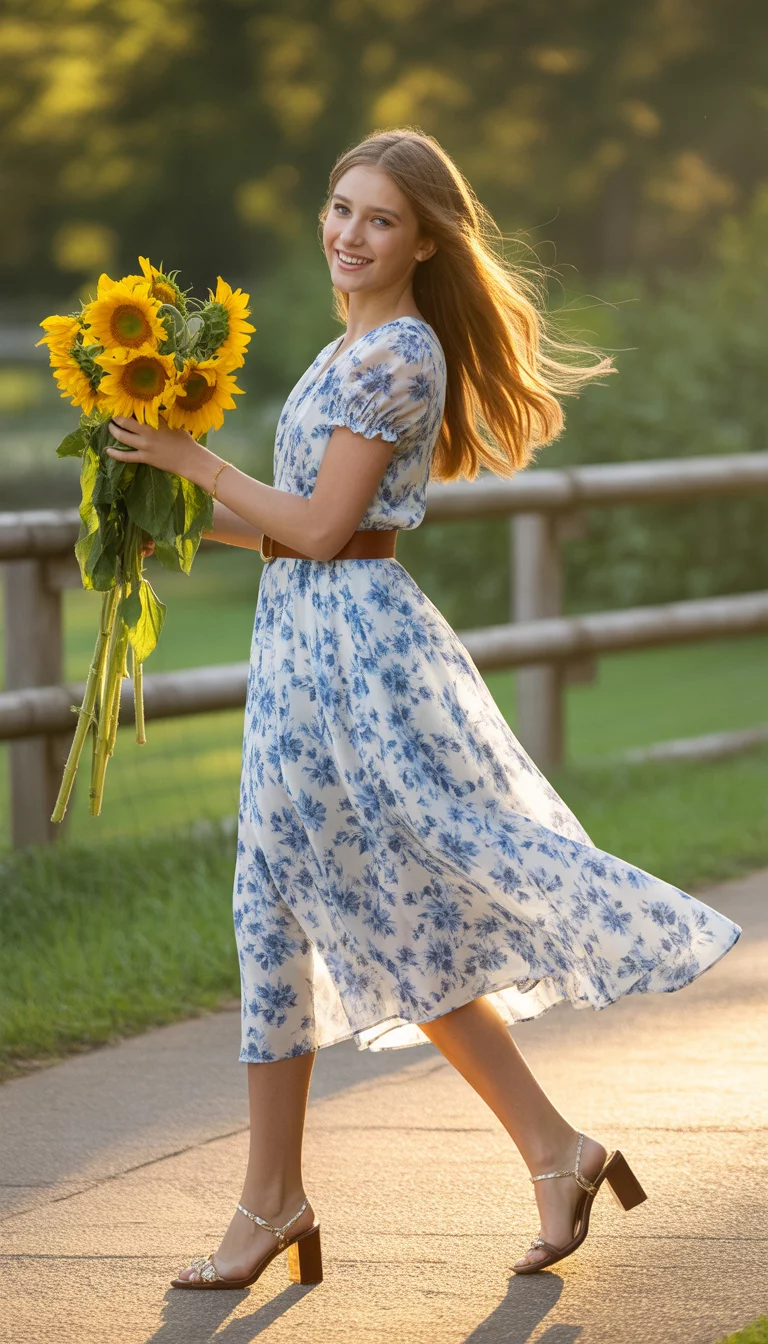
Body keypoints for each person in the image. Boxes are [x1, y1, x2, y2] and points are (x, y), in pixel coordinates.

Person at [105, 128, 742, 1288]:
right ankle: (543, 1154)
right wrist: (169, 517)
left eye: (379, 219)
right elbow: (298, 528)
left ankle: (281, 1200)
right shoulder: (345, 345)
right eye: (341, 208)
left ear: (426, 238)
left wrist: (197, 466)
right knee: (322, 912)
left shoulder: (397, 354)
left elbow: (317, 531)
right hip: (305, 642)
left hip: (355, 659)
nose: (349, 233)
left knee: (362, 902)